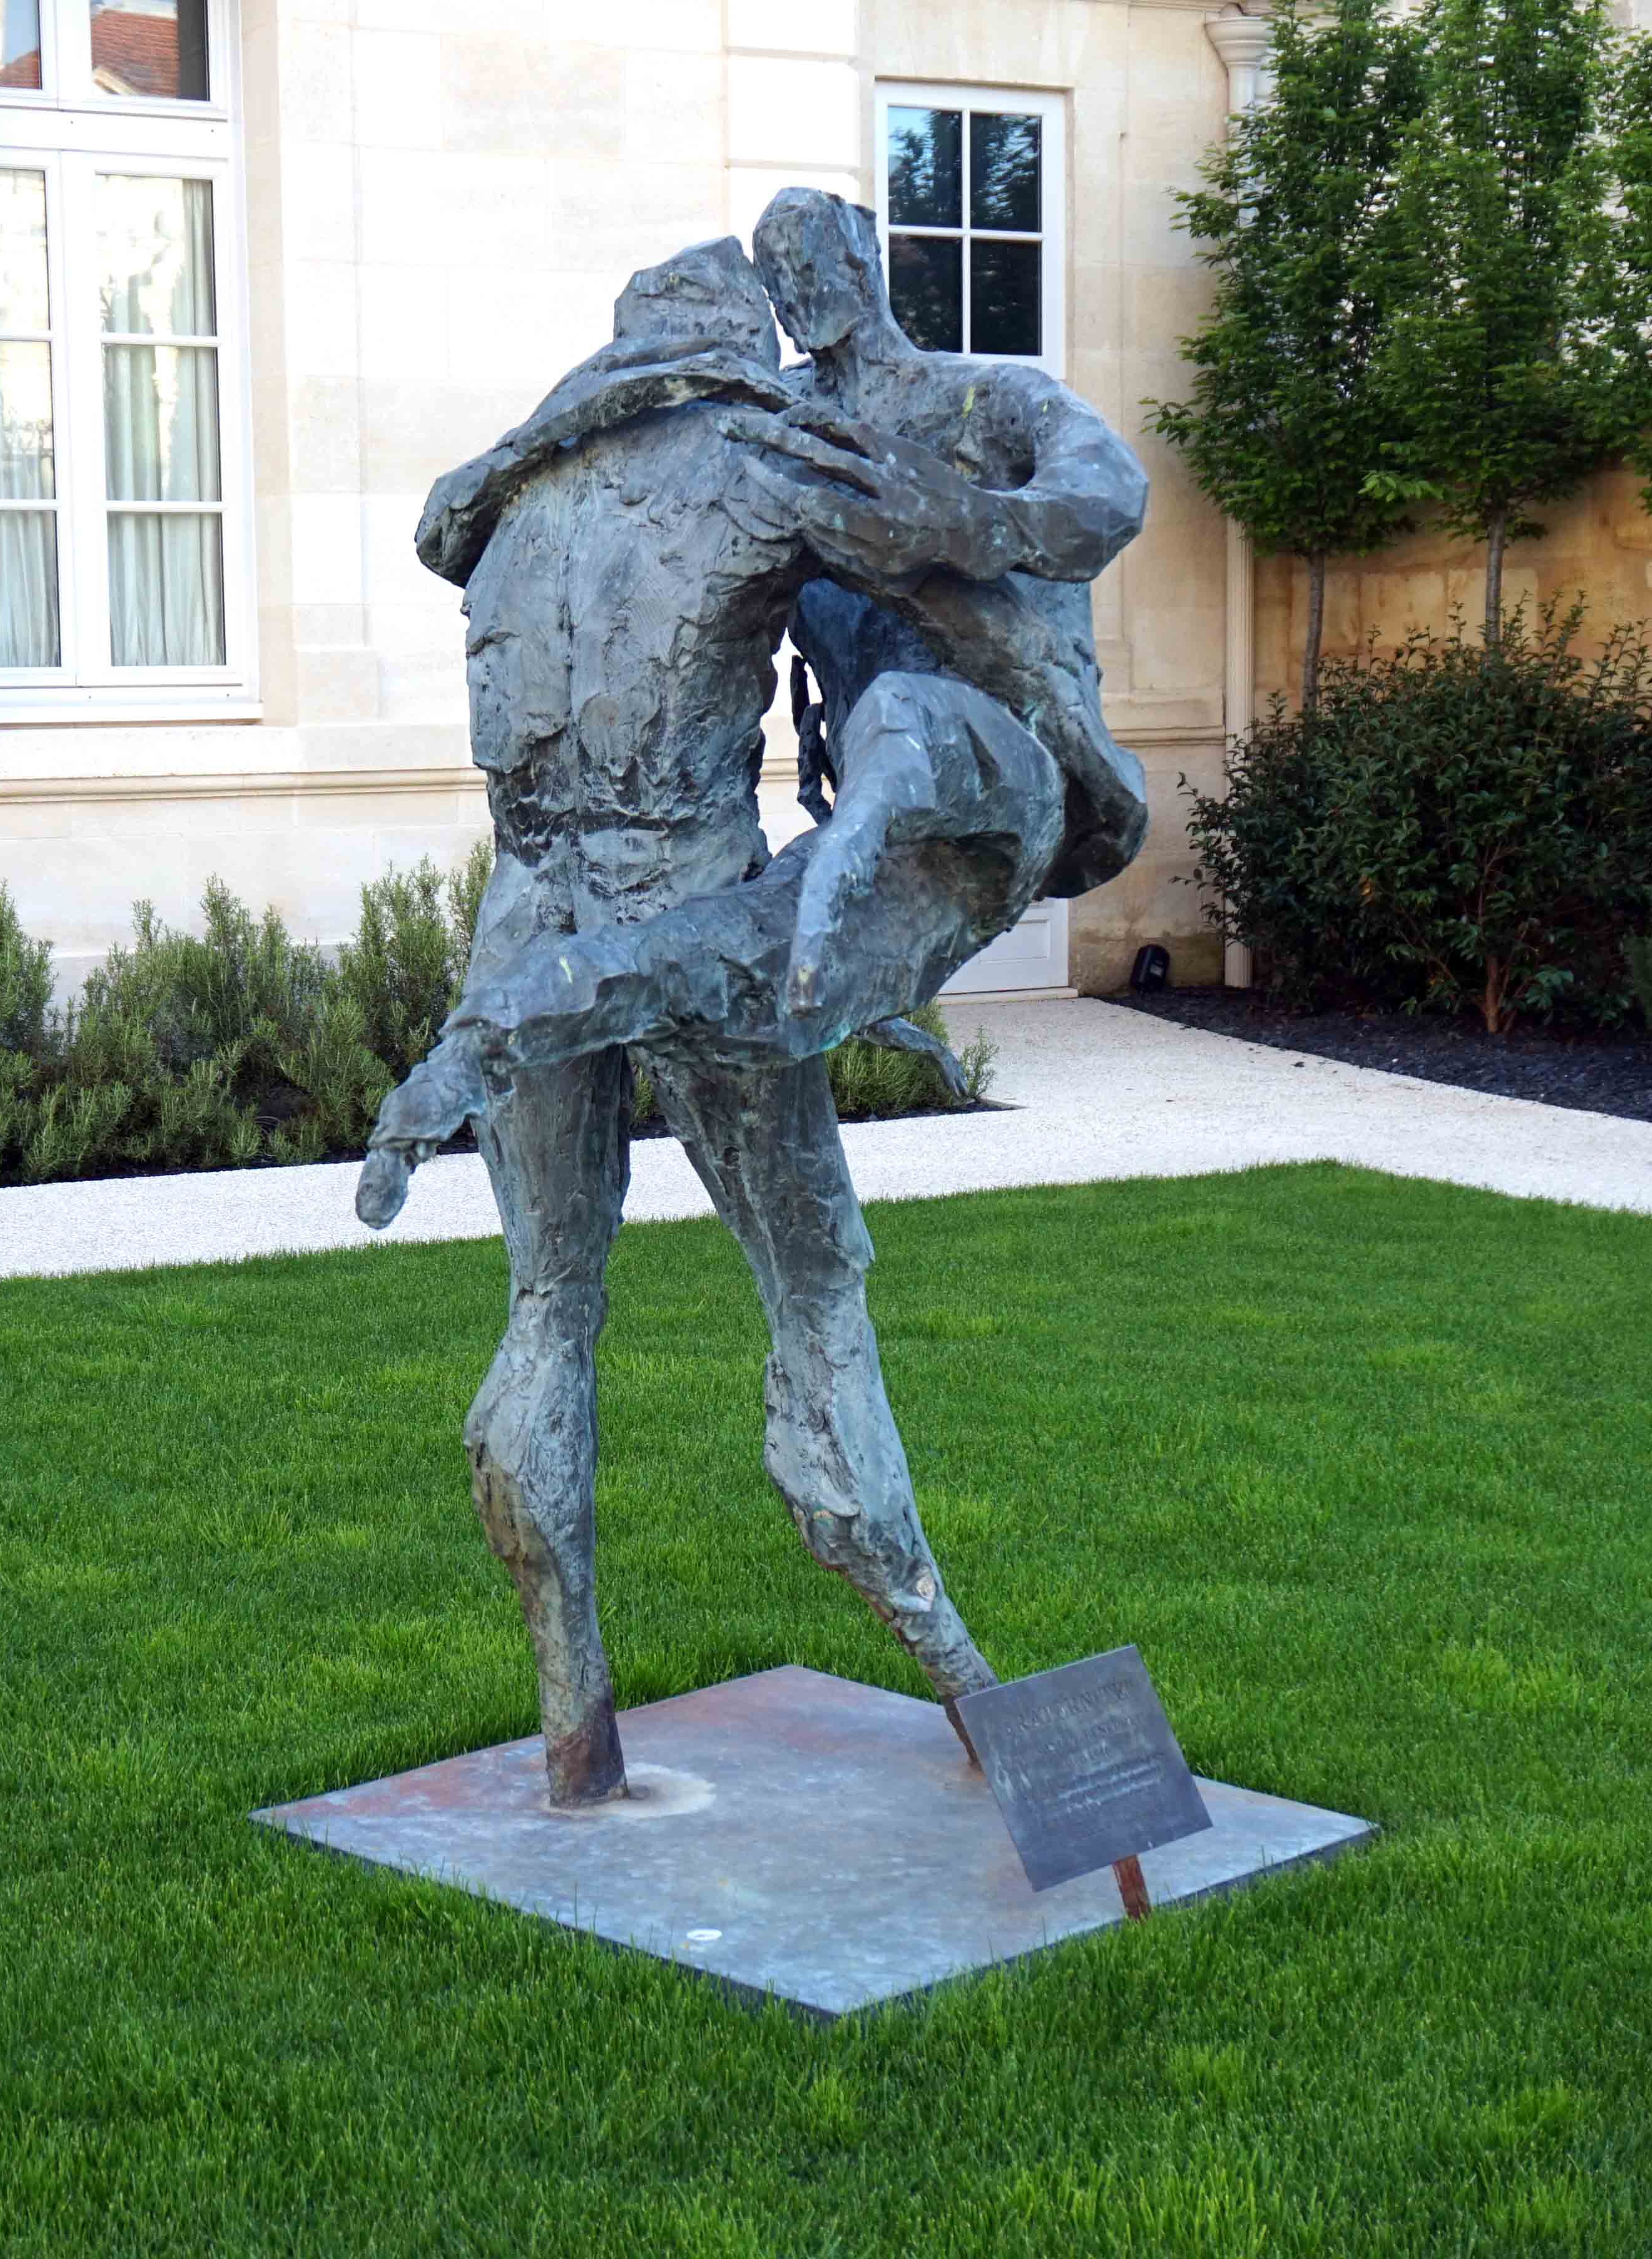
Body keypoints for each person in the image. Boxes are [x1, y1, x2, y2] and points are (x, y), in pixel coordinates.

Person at [366, 208, 1145, 1808]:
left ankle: (575, 1729)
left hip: (523, 902)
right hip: (688, 905)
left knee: (548, 1305)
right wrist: (1061, 771)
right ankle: (977, 1694)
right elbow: (973, 592)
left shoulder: (514, 503)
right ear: (735, 340)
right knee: (815, 1287)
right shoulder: (756, 455)